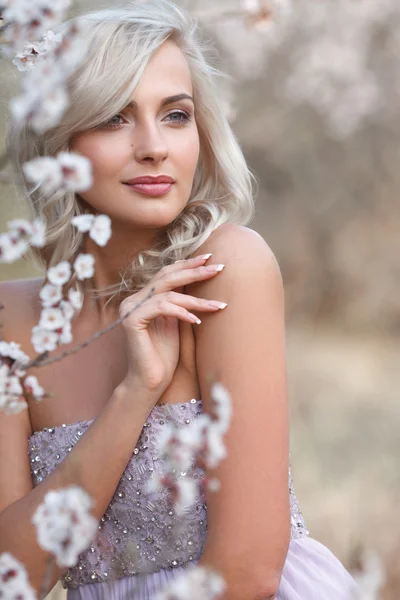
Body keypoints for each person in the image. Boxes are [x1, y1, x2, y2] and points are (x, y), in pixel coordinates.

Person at [0, 1, 360, 599]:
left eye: (175, 115)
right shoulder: (10, 322)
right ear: (58, 143)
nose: (153, 147)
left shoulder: (226, 270)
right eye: (114, 118)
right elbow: (14, 576)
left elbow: (245, 573)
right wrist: (133, 395)